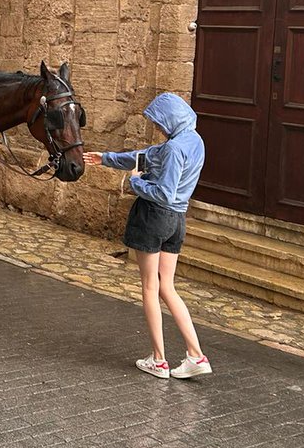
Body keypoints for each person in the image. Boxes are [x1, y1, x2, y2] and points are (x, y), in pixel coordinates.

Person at [83, 93, 212, 380]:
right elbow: (146, 156)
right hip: (177, 221)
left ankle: (159, 360)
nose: (157, 128)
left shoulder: (173, 148)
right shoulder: (194, 141)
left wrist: (135, 182)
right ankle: (196, 355)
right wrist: (105, 158)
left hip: (154, 217)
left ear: (171, 119)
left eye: (159, 122)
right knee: (168, 287)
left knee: (150, 287)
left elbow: (163, 193)